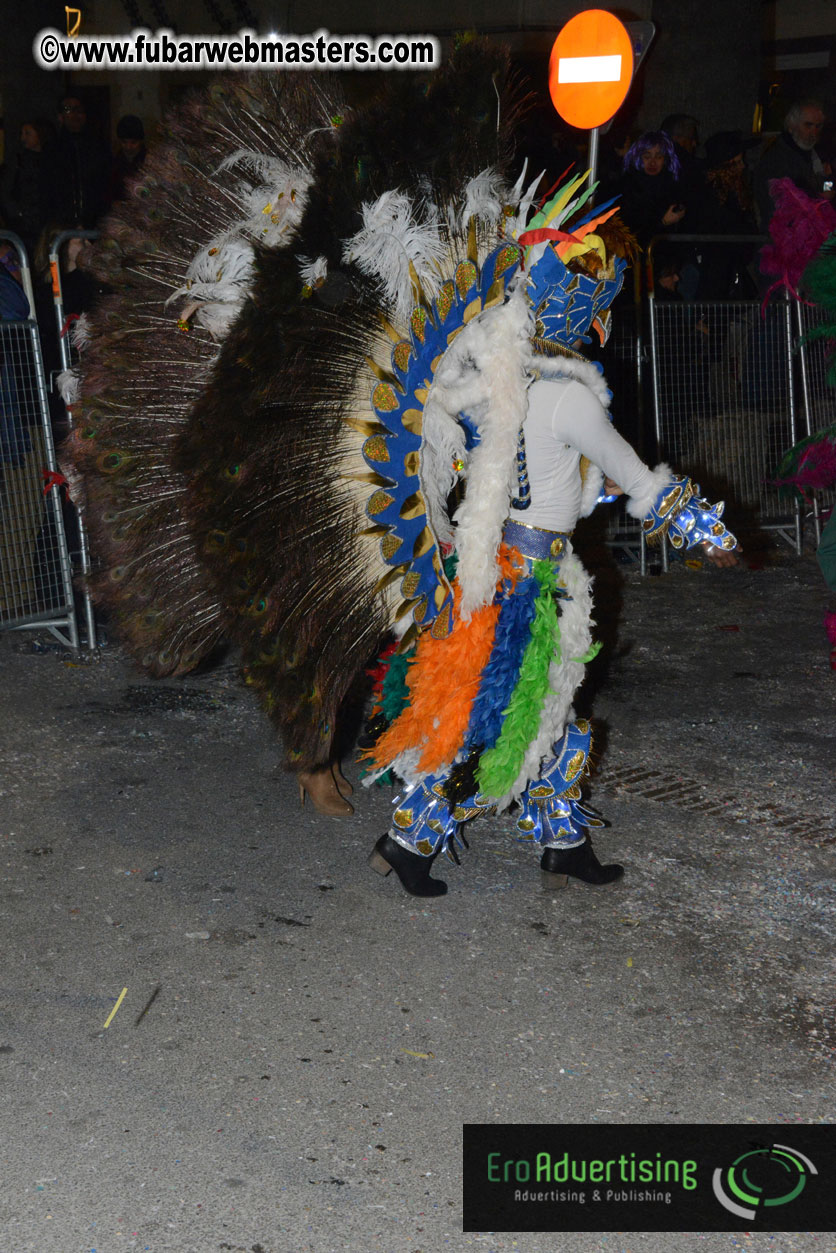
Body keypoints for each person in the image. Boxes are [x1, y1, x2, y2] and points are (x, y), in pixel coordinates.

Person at [753, 99, 834, 230]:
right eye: (808, 125)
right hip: (786, 238)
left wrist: (828, 183)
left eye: (817, 126)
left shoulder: (813, 155)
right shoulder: (777, 160)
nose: (813, 133)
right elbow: (780, 207)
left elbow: (824, 184)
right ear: (791, 126)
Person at [45, 95, 111, 229]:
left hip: (94, 221)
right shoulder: (53, 150)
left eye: (79, 110)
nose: (75, 115)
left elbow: (104, 184)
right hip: (62, 222)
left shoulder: (97, 147)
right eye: (69, 110)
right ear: (60, 116)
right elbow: (48, 188)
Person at [111, 115, 147, 202]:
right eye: (124, 142)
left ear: (140, 141)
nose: (128, 147)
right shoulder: (114, 163)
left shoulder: (148, 162)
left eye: (133, 142)